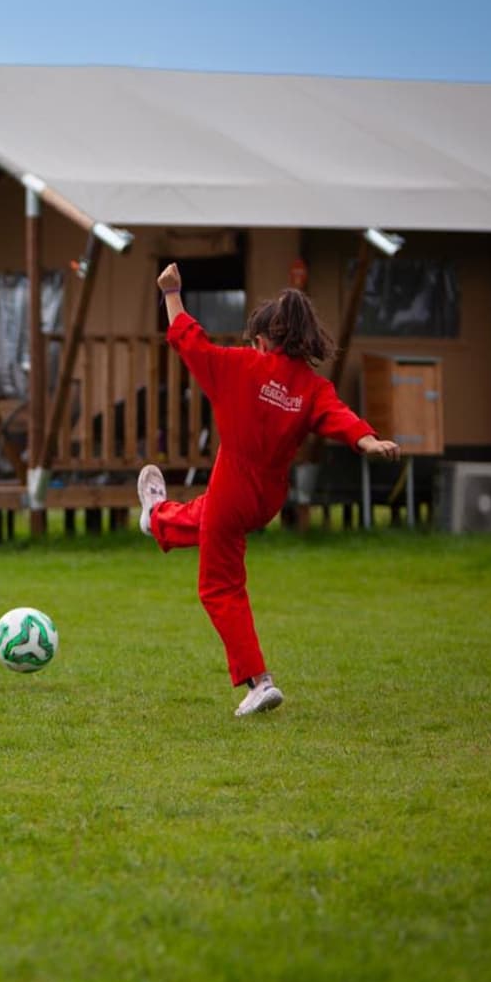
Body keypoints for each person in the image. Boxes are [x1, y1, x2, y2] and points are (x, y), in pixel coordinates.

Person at [136, 264, 399, 716]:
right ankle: (157, 517)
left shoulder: (240, 366)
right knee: (209, 520)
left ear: (261, 340)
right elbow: (338, 417)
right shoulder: (312, 387)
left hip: (231, 489)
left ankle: (259, 682)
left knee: (219, 587)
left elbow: (189, 340)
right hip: (267, 499)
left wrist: (172, 292)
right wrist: (368, 441)